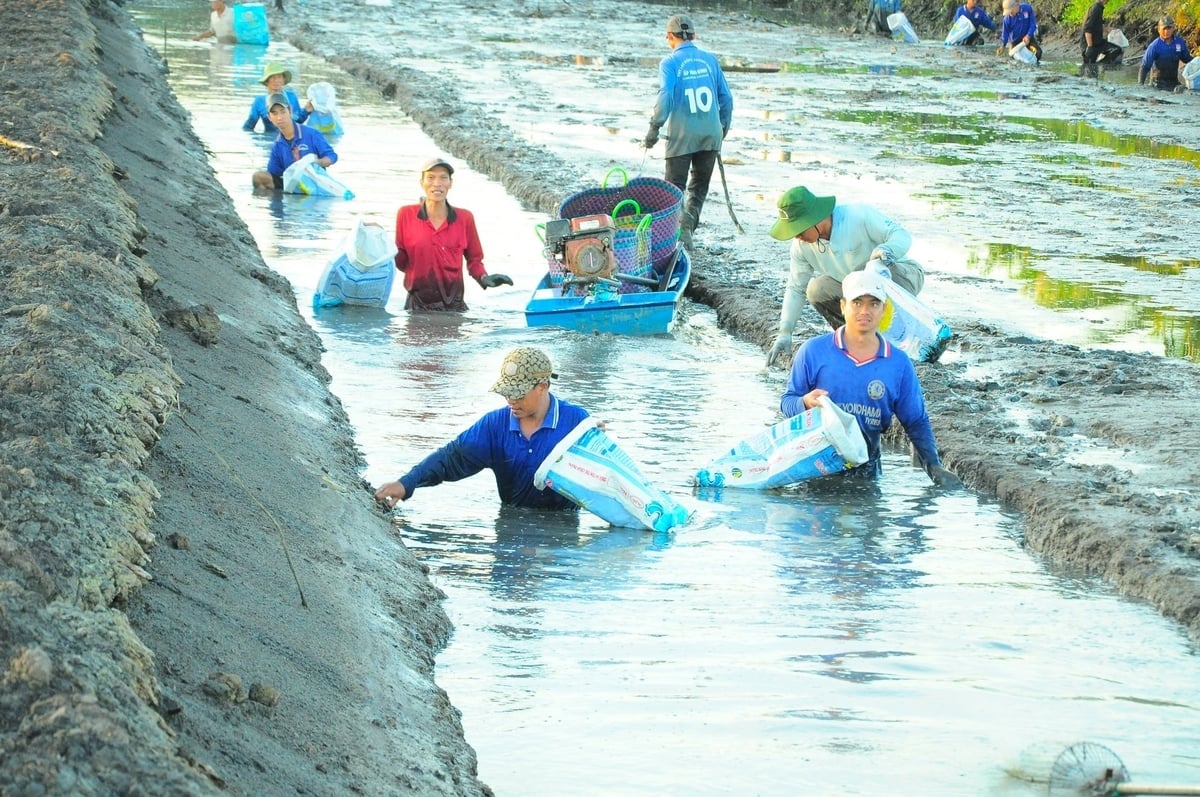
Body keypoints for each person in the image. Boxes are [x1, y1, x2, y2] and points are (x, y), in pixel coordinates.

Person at [780, 271, 960, 487]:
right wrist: (805, 402)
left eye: (874, 304)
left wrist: (934, 467)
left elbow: (915, 421)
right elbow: (788, 403)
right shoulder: (813, 351)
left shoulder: (898, 364)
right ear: (843, 306)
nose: (865, 311)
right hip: (813, 472)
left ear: (884, 310)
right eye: (857, 302)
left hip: (866, 475)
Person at [373, 347, 590, 510]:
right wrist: (407, 483)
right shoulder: (495, 426)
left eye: (518, 393)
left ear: (542, 387)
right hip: (510, 524)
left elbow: (605, 481)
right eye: (507, 393)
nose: (510, 400)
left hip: (562, 538)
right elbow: (451, 458)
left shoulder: (577, 423)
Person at [766, 185, 926, 366]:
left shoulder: (858, 215)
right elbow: (796, 288)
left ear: (815, 219)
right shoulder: (801, 247)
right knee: (816, 289)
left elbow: (900, 235)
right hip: (857, 290)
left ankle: (902, 338)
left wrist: (886, 250)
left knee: (874, 281)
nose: (797, 237)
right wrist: (785, 332)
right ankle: (858, 341)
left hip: (897, 276)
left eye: (800, 230)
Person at [642, 14, 733, 250]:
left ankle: (675, 237)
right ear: (693, 35)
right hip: (710, 135)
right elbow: (727, 98)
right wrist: (722, 128)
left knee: (673, 189)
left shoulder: (670, 63)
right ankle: (688, 228)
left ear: (669, 37)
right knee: (699, 188)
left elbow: (666, 95)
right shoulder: (710, 60)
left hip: (681, 135)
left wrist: (654, 126)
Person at [392, 157, 512, 312]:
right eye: (430, 177)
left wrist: (484, 278)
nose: (437, 183)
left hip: (454, 307)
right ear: (422, 183)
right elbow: (401, 260)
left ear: (450, 183)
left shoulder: (465, 218)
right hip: (417, 307)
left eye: (443, 177)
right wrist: (378, 242)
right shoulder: (406, 214)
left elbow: (474, 260)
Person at [250, 93, 337, 192]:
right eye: (274, 113)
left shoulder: (311, 134)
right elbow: (274, 173)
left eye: (283, 112)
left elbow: (332, 156)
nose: (279, 117)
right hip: (293, 185)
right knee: (259, 177)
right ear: (269, 118)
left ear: (290, 111)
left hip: (315, 183)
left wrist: (318, 162)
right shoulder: (277, 145)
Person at [244, 62, 310, 134]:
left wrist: (306, 111)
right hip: (270, 140)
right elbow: (249, 127)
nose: (276, 80)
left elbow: (299, 120)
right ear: (266, 81)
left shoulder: (291, 97)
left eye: (279, 77)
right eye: (272, 77)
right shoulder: (259, 101)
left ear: (283, 80)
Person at [1138, 17, 1193, 90]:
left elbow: (1188, 59)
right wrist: (1140, 86)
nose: (1166, 31)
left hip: (1174, 82)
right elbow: (1144, 67)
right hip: (1157, 84)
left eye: (1169, 28)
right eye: (1164, 29)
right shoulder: (1154, 46)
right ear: (1159, 30)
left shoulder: (1179, 43)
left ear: (1173, 28)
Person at [1080, 0, 1107, 77]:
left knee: (1092, 70)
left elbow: (1098, 24)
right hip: (1089, 45)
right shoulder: (1096, 8)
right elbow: (1088, 29)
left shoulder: (1099, 7)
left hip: (1096, 43)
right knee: (1089, 70)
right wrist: (1090, 47)